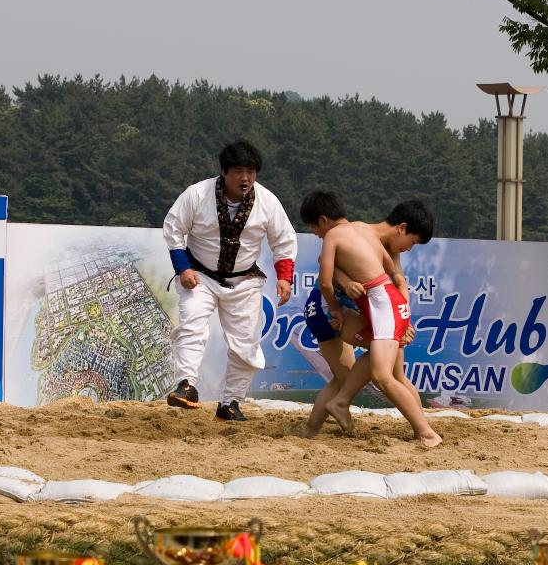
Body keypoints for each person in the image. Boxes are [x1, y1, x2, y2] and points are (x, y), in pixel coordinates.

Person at [162, 140, 297, 421]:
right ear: (224, 172)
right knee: (192, 325)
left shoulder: (268, 201)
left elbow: (283, 240)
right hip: (200, 276)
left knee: (245, 343)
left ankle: (231, 402)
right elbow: (174, 229)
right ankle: (186, 385)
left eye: (250, 171)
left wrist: (285, 277)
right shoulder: (197, 194)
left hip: (244, 281)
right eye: (238, 171)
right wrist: (183, 268)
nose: (245, 178)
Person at [298, 192, 433, 436]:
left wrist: (405, 323)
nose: (409, 249)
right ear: (402, 228)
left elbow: (399, 285)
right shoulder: (356, 231)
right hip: (329, 306)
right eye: (412, 243)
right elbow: (325, 268)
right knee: (386, 365)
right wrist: (346, 282)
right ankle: (421, 429)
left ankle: (312, 430)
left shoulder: (389, 250)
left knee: (352, 375)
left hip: (357, 309)